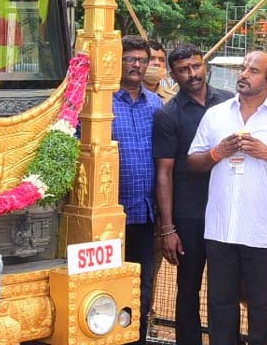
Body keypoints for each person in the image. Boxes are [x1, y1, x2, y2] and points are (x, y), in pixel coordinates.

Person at [188, 51, 267, 345]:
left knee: (260, 307)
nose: (244, 74)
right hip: (221, 228)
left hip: (261, 232)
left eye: (253, 70)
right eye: (243, 68)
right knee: (220, 304)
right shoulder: (216, 115)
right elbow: (193, 162)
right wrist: (217, 152)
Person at [152, 45, 233, 345]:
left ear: (205, 66)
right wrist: (168, 228)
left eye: (196, 66)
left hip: (227, 210)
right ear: (173, 75)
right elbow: (164, 173)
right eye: (184, 69)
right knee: (188, 289)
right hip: (189, 216)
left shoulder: (229, 103)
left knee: (226, 289)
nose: (192, 74)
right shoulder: (168, 115)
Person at [113, 35, 162, 345]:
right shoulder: (100, 101)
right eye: (130, 59)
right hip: (109, 215)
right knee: (107, 284)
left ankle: (137, 340)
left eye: (142, 60)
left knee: (141, 287)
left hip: (146, 214)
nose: (137, 65)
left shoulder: (157, 105)